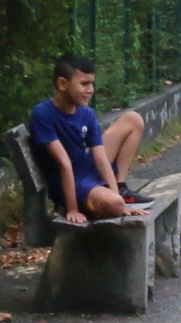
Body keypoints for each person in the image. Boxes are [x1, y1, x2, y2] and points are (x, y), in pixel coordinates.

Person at [28, 54, 147, 223]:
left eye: (92, 83)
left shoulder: (87, 113)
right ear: (62, 84)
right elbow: (64, 163)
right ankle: (108, 199)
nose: (91, 90)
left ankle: (120, 190)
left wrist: (117, 196)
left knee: (133, 119)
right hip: (73, 184)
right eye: (84, 84)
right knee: (114, 204)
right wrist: (72, 209)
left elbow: (101, 159)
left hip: (87, 168)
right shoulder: (43, 114)